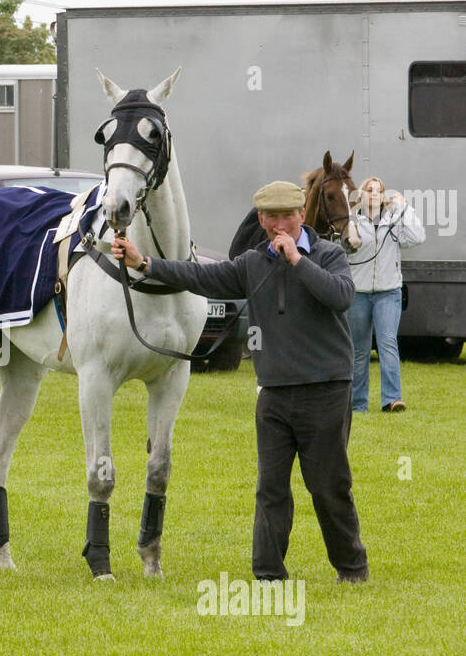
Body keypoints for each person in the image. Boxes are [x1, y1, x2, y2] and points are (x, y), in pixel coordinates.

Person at [111, 181, 369, 583]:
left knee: (328, 486)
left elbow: (341, 296)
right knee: (271, 489)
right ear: (262, 221)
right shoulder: (252, 264)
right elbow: (199, 277)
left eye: (288, 215)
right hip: (274, 395)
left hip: (326, 390)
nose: (280, 224)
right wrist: (145, 264)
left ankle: (352, 568)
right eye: (272, 217)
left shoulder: (328, 254)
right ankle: (268, 573)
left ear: (302, 215)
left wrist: (298, 262)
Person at [347, 177, 426, 413]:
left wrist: (404, 206)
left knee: (387, 343)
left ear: (383, 197)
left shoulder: (394, 221)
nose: (373, 194)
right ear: (361, 196)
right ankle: (357, 403)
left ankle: (392, 399)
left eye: (378, 191)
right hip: (358, 293)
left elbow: (417, 237)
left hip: (388, 293)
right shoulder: (352, 221)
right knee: (359, 350)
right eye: (369, 190)